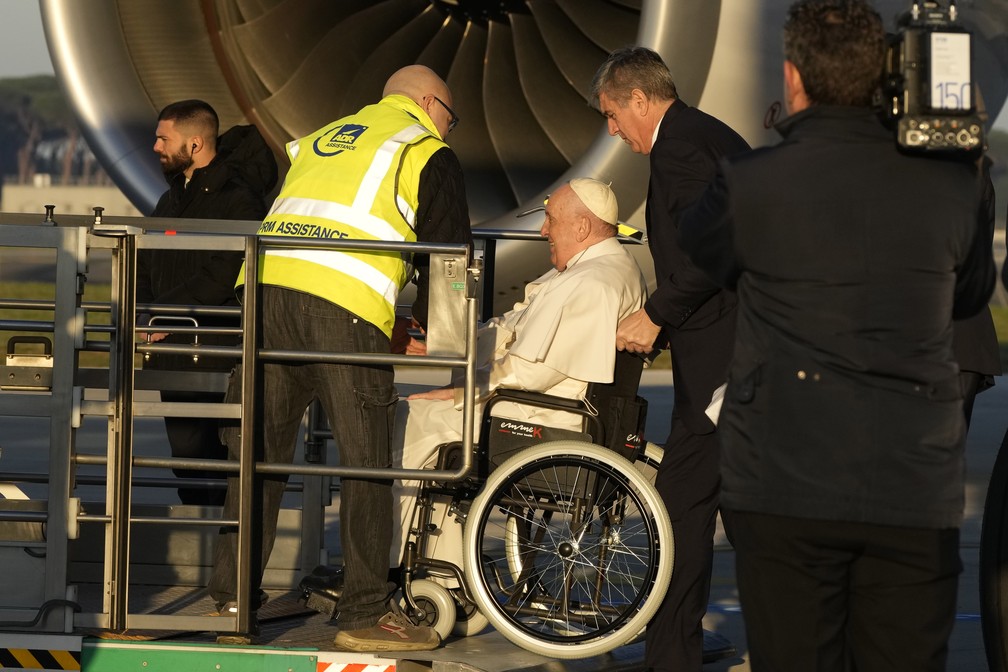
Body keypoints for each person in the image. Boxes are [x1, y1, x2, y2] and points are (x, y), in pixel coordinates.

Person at [679, 1, 995, 669]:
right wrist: (965, 159)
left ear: (794, 79)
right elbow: (969, 297)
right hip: (910, 482)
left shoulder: (755, 183)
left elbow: (701, 247)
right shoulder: (948, 186)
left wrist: (789, 145)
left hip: (784, 480)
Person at [206, 65, 473, 651]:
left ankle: (231, 603)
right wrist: (445, 341)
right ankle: (363, 613)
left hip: (265, 295)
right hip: (343, 306)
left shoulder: (327, 138)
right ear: (429, 104)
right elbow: (448, 255)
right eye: (451, 118)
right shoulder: (423, 149)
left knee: (259, 459)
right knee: (365, 464)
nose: (450, 130)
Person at [390, 178, 647, 571]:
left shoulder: (593, 281)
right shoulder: (590, 268)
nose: (544, 231)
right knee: (424, 416)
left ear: (581, 228)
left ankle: (386, 567)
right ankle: (442, 572)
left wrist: (458, 393)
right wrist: (449, 345)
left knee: (412, 419)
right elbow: (513, 329)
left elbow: (530, 372)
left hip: (540, 416)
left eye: (551, 220)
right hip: (535, 405)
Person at [590, 47, 750, 671]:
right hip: (725, 349)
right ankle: (671, 651)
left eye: (611, 114)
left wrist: (656, 313)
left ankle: (673, 653)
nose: (611, 130)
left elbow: (712, 249)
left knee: (691, 500)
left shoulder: (679, 146)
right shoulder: (706, 134)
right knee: (697, 498)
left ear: (638, 99)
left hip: (721, 355)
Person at [138, 99, 277, 506]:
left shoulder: (239, 200)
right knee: (187, 467)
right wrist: (146, 312)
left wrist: (166, 313)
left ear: (195, 144)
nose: (155, 146)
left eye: (164, 138)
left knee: (218, 466)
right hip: (170, 353)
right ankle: (198, 553)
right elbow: (144, 261)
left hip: (215, 356)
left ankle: (224, 558)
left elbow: (224, 271)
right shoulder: (170, 200)